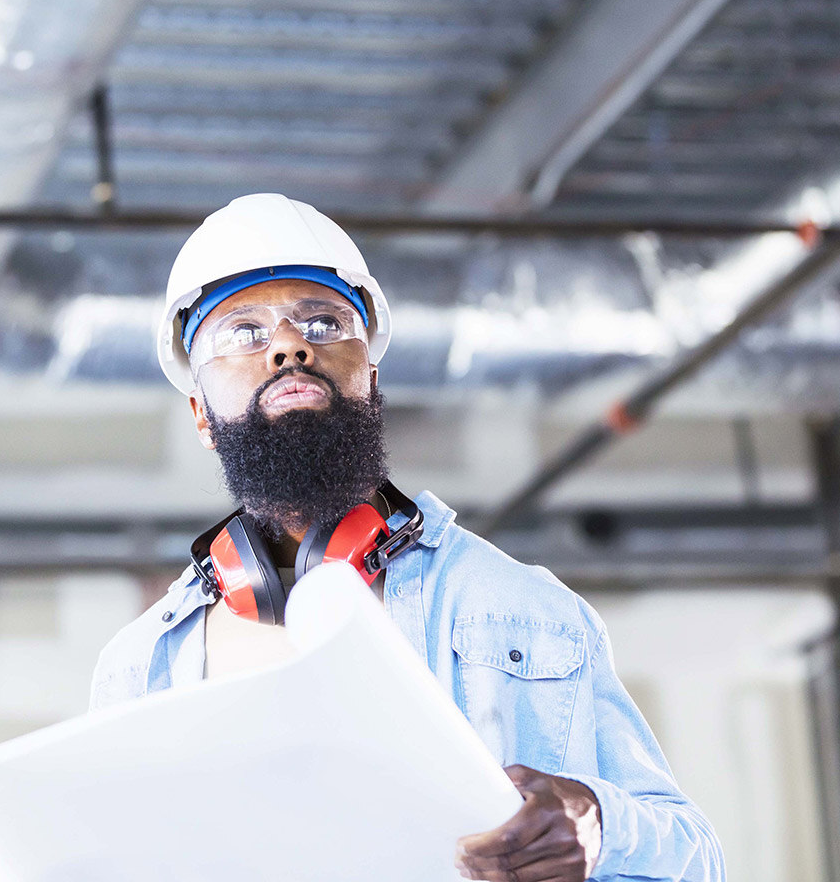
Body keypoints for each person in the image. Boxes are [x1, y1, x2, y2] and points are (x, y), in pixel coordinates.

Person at [90, 194, 723, 881]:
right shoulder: (138, 667)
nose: (288, 344)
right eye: (241, 333)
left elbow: (698, 860)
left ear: (372, 375)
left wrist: (597, 825)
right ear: (200, 413)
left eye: (325, 320)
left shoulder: (520, 610)